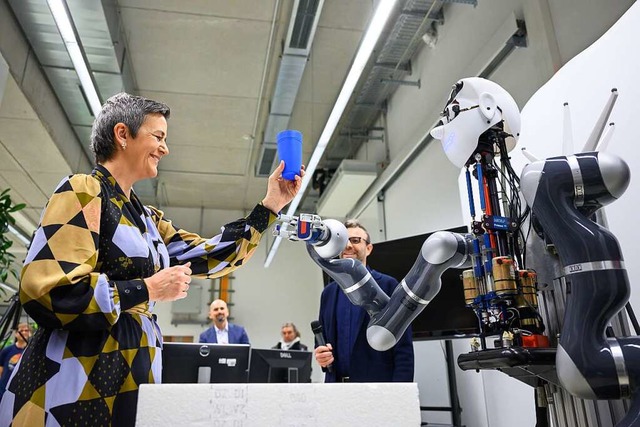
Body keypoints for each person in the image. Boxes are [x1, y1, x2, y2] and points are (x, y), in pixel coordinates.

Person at [0, 93, 302, 426]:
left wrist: (271, 205)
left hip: (129, 380)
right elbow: (50, 291)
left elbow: (214, 257)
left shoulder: (147, 219)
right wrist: (145, 289)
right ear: (122, 134)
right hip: (73, 383)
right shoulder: (84, 191)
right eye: (158, 137)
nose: (165, 148)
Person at [314, 219, 414, 382]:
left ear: (368, 248)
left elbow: (403, 346)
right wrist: (322, 357)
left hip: (377, 388)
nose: (347, 246)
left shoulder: (388, 285)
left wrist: (401, 392)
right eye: (343, 241)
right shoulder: (328, 293)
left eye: (355, 240)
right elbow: (322, 342)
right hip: (336, 389)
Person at [0, 323, 31, 401]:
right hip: (5, 389)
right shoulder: (7, 350)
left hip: (22, 390)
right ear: (16, 334)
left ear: (30, 333)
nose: (23, 332)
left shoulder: (31, 352)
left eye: (26, 330)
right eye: (21, 331)